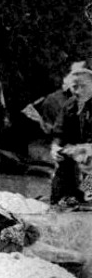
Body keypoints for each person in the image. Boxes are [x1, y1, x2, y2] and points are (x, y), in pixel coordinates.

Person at [50, 67, 92, 205]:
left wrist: (87, 149)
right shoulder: (70, 105)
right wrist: (55, 148)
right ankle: (61, 200)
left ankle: (84, 199)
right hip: (76, 154)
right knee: (62, 161)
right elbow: (59, 132)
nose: (78, 91)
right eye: (75, 87)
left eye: (83, 86)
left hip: (88, 155)